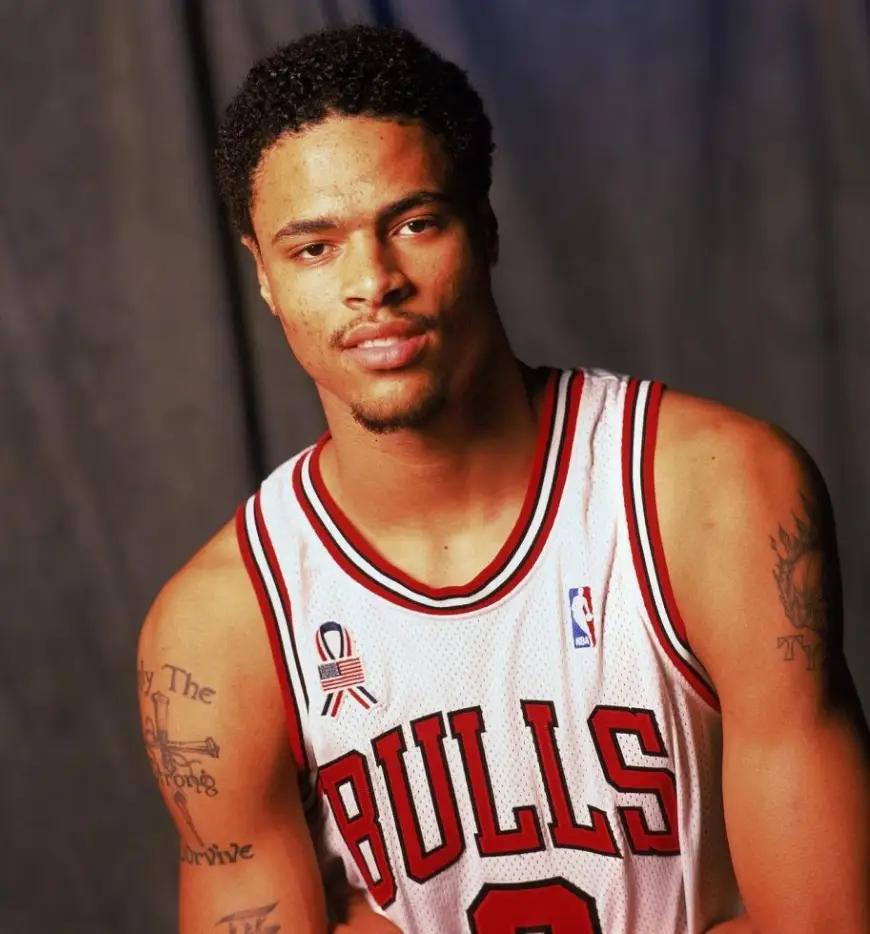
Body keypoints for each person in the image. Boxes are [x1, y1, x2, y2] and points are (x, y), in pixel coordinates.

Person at [137, 24, 869, 934]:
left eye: (414, 223)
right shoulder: (220, 630)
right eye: (315, 248)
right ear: (264, 278)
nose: (373, 283)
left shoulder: (718, 498)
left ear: (484, 228)